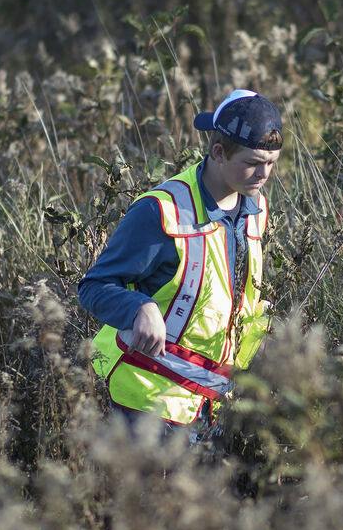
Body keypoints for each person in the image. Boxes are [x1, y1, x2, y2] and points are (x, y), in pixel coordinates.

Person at [79, 91, 280, 436]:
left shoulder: (254, 210)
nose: (264, 174)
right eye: (253, 162)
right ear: (218, 152)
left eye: (272, 163)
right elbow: (93, 287)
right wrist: (138, 307)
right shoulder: (160, 211)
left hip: (208, 404)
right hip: (146, 399)